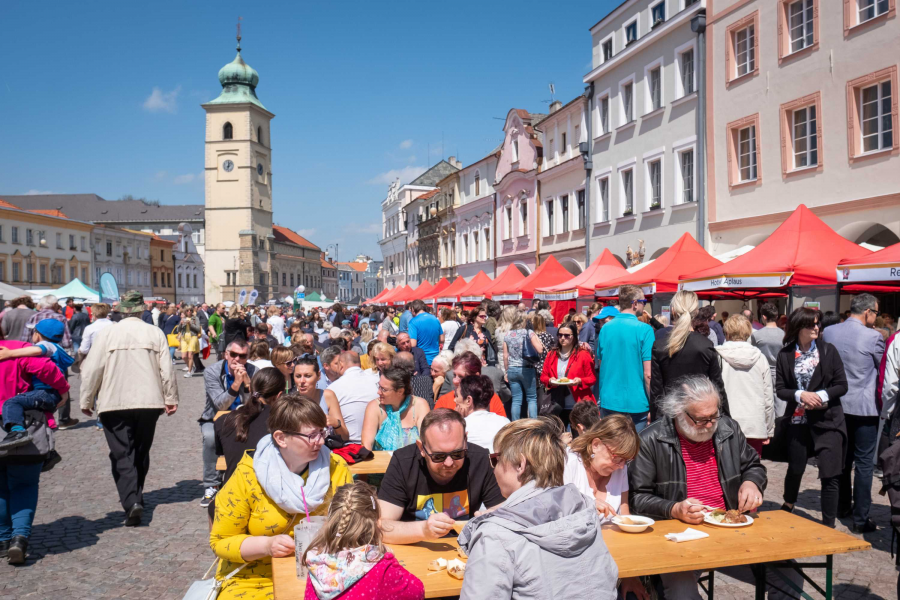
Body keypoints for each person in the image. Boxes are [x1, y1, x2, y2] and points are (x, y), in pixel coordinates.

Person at [628, 375, 792, 598]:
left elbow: (753, 465)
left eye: (714, 416)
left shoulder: (727, 428)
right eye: (701, 419)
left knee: (788, 572)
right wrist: (674, 509)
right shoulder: (651, 440)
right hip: (678, 538)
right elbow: (637, 498)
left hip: (730, 530)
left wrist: (752, 483)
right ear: (679, 412)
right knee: (682, 593)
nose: (709, 425)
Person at [209, 395, 353, 600]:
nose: (321, 441)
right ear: (281, 438)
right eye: (312, 435)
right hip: (254, 578)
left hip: (325, 573)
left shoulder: (336, 467)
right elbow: (221, 542)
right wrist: (267, 545)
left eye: (322, 432)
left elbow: (353, 523)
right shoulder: (248, 475)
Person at [458, 418, 619, 600]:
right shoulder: (585, 510)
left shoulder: (494, 536)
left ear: (520, 465)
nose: (493, 469)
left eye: (496, 460)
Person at [79, 290, 178, 527]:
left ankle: (132, 500)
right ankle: (136, 496)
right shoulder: (154, 332)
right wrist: (170, 396)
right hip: (149, 401)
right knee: (141, 450)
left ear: (121, 310)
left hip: (114, 401)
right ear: (142, 309)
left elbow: (92, 369)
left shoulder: (108, 333)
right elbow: (167, 368)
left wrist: (86, 400)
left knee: (122, 452)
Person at [377, 408, 505, 543]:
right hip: (415, 549)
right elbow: (381, 528)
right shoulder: (403, 462)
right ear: (421, 448)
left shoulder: (480, 459)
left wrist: (490, 517)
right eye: (438, 456)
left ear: (465, 440)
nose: (449, 463)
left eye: (457, 454)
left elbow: (506, 513)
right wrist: (422, 530)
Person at [775, 306, 850, 529]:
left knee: (830, 473)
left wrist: (819, 395)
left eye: (818, 323)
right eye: (812, 324)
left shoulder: (828, 351)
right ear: (799, 327)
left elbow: (842, 385)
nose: (817, 327)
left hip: (828, 420)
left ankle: (828, 523)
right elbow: (780, 389)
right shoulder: (785, 354)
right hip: (798, 421)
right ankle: (789, 503)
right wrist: (800, 394)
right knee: (796, 467)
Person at [0, 339, 70, 564]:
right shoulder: (14, 348)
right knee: (24, 485)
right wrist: (63, 391)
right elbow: (46, 368)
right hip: (27, 437)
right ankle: (19, 539)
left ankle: (2, 540)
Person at [821, 294, 883, 532]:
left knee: (843, 461)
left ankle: (842, 506)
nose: (876, 317)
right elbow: (881, 369)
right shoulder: (873, 337)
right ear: (867, 312)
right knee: (865, 463)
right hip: (865, 408)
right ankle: (860, 519)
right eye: (876, 312)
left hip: (837, 404)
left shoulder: (831, 332)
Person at [302, 481, 425, 600]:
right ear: (376, 524)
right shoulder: (381, 568)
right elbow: (417, 591)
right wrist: (391, 562)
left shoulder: (316, 561)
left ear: (330, 519)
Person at [650, 291, 728, 422]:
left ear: (673, 311)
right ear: (696, 312)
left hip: (671, 418)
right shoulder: (705, 345)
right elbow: (718, 388)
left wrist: (655, 422)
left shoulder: (660, 346)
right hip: (700, 418)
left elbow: (656, 392)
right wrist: (726, 419)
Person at [202, 339, 258, 507]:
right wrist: (236, 384)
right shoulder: (212, 372)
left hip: (246, 416)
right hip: (215, 417)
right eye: (233, 355)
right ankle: (211, 484)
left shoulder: (254, 371)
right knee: (210, 437)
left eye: (242, 356)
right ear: (226, 355)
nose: (237, 360)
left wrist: (248, 385)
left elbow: (255, 404)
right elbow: (220, 404)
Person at [0, 320, 73, 449]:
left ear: (38, 335)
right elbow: (46, 368)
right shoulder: (51, 347)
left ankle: (17, 431)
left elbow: (43, 363)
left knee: (13, 402)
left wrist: (9, 353)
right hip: (48, 392)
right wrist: (63, 390)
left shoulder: (46, 346)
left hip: (46, 391)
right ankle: (48, 451)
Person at [596, 285, 655, 432]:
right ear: (635, 303)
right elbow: (648, 374)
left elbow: (601, 365)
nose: (644, 305)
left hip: (609, 400)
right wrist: (653, 404)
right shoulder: (645, 329)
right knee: (635, 452)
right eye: (644, 301)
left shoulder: (605, 329)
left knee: (612, 451)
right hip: (637, 403)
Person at [714, 315, 774, 457]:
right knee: (751, 472)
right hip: (754, 424)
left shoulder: (717, 355)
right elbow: (768, 397)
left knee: (726, 472)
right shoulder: (760, 357)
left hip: (725, 424)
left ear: (726, 332)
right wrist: (769, 428)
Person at [215, 367, 284, 487]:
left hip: (231, 493)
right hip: (264, 494)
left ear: (250, 388)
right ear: (279, 395)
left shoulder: (223, 421)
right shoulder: (283, 423)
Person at [361, 366, 430, 451]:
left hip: (413, 462)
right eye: (379, 386)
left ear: (400, 391)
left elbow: (427, 441)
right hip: (383, 463)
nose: (378, 392)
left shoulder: (419, 405)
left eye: (384, 389)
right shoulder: (375, 407)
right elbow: (366, 444)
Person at [540, 323, 596, 426]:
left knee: (579, 439)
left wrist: (580, 381)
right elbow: (543, 376)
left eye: (567, 335)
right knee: (558, 437)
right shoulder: (551, 354)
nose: (562, 338)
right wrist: (549, 380)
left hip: (578, 404)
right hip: (557, 404)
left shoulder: (583, 354)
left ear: (574, 337)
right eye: (560, 335)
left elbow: (592, 378)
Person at [324, 352, 378, 444]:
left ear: (341, 364)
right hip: (376, 444)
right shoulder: (377, 381)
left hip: (349, 446)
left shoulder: (332, 389)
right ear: (359, 363)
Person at [291, 355, 349, 441]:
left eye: (307, 376)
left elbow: (345, 437)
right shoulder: (290, 401)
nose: (302, 381)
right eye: (298, 376)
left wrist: (335, 423)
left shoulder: (327, 396)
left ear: (318, 375)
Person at [433, 351, 507, 417]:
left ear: (476, 377)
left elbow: (502, 430)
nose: (455, 381)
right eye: (454, 375)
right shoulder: (444, 401)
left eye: (461, 377)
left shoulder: (491, 399)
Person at [503, 311, 543, 421]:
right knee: (531, 398)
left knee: (516, 400)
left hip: (512, 369)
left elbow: (505, 355)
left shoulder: (507, 334)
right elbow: (540, 349)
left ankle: (515, 423)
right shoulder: (529, 333)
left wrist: (506, 370)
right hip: (527, 369)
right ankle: (533, 423)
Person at [453, 374, 509, 453]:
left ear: (468, 400)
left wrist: (455, 420)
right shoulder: (505, 422)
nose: (455, 400)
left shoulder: (460, 426)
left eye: (457, 396)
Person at [752, 302, 784, 405]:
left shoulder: (757, 335)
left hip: (762, 373)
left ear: (763, 317)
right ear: (777, 316)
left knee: (764, 401)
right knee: (780, 402)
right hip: (781, 372)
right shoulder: (784, 335)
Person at [407, 299, 443, 366]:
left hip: (422, 360)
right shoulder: (435, 319)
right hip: (435, 359)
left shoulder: (413, 321)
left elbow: (413, 344)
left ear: (413, 310)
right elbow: (442, 339)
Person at [174, 307, 201, 377]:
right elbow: (178, 329)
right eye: (187, 310)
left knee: (190, 355)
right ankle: (191, 367)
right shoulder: (183, 318)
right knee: (183, 356)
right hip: (184, 338)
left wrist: (190, 324)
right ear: (185, 312)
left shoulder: (195, 318)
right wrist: (180, 323)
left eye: (190, 310)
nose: (189, 311)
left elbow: (198, 329)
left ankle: (189, 372)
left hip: (193, 337)